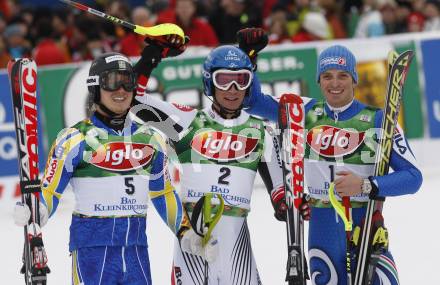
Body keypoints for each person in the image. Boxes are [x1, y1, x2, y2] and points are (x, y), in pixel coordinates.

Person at [131, 29, 301, 284]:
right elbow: (135, 101)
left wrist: (290, 206)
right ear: (209, 81)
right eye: (224, 80)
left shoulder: (260, 130)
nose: (232, 89)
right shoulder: (187, 122)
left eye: (241, 80)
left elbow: (279, 191)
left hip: (237, 244)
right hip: (192, 239)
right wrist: (153, 54)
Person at [243, 44, 423, 285]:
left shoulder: (377, 119)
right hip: (322, 227)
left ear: (354, 79)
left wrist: (365, 185)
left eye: (342, 75)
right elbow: (252, 101)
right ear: (318, 80)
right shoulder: (303, 112)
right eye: (327, 76)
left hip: (363, 225)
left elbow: (413, 178)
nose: (334, 83)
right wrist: (249, 61)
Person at [13, 51, 192, 284]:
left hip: (136, 250)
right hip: (92, 253)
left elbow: (163, 192)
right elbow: (50, 190)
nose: (121, 90)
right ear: (96, 88)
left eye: (128, 81)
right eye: (112, 81)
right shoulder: (74, 139)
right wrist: (38, 209)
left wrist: (185, 231)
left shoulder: (151, 138)